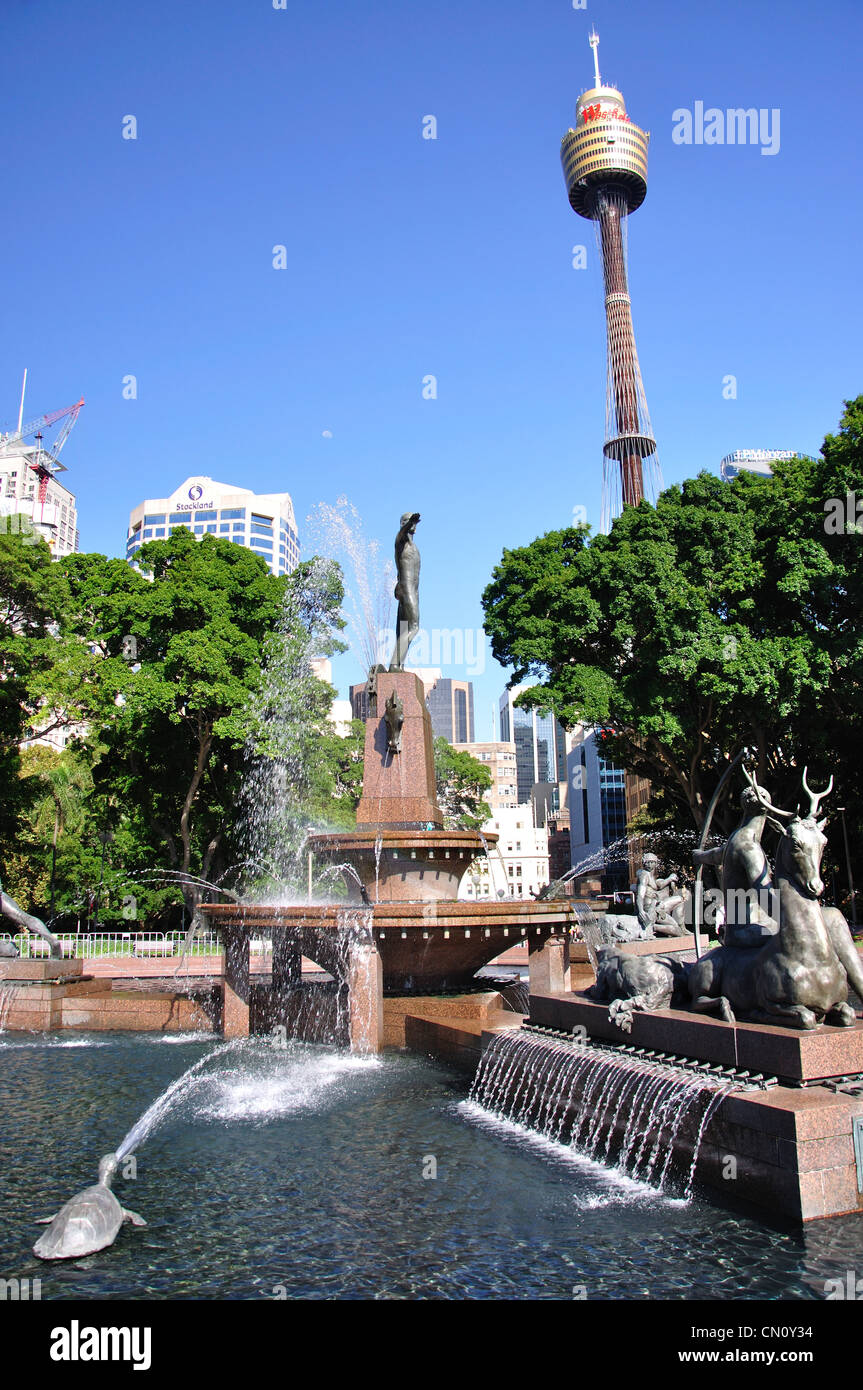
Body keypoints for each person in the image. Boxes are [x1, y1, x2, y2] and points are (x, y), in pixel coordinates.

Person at [388, 512, 421, 671]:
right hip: (407, 589)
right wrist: (409, 523)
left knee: (402, 631)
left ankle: (399, 666)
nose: (413, 524)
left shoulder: (414, 547)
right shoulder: (400, 542)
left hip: (411, 591)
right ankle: (394, 664)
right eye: (409, 522)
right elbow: (402, 532)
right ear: (403, 524)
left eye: (415, 521)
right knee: (414, 627)